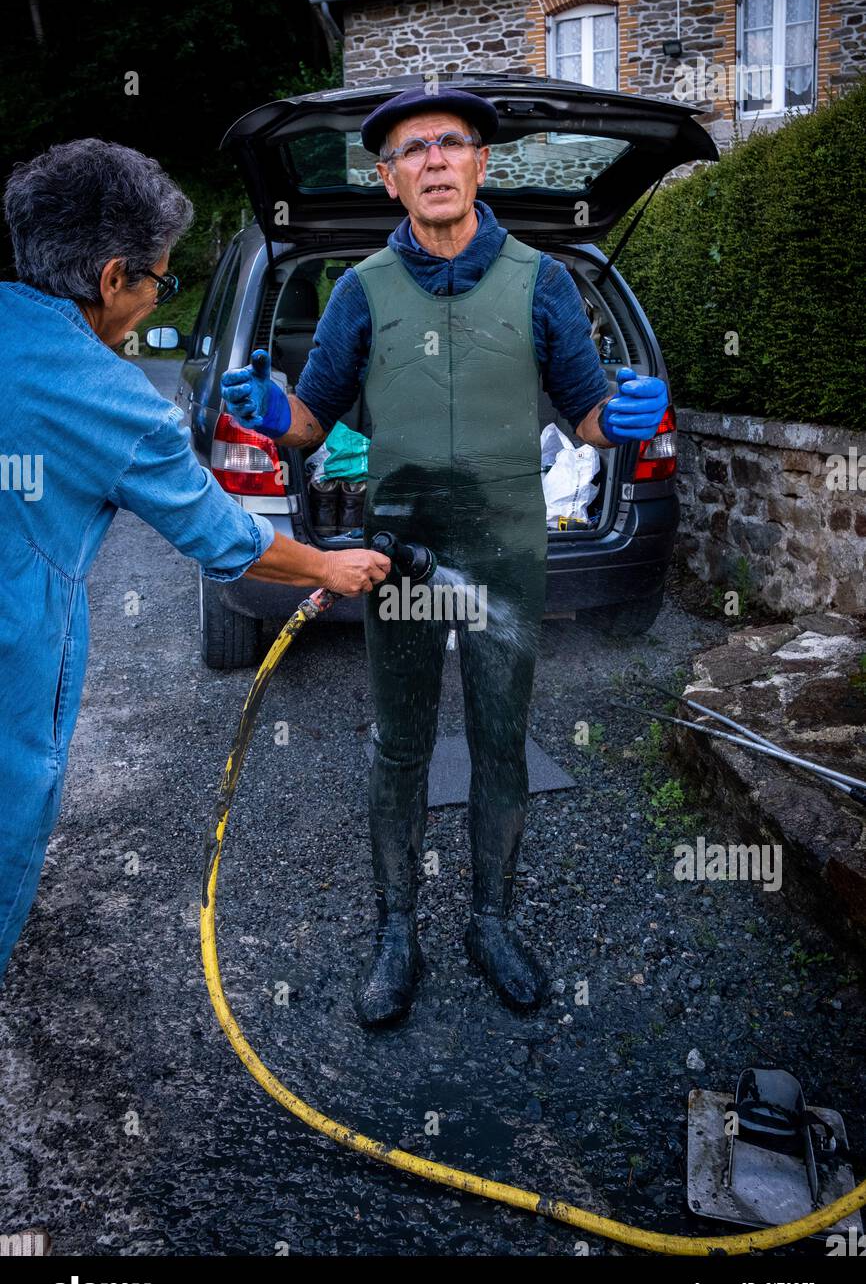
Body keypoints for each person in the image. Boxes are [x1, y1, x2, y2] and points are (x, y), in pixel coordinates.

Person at [220, 89, 666, 1027]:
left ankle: (492, 922)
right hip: (402, 550)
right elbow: (311, 422)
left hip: (507, 542)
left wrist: (614, 422)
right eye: (408, 150)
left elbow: (584, 409)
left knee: (501, 738)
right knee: (400, 741)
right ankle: (397, 931)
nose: (431, 160)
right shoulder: (361, 290)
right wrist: (271, 412)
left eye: (448, 144)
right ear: (388, 180)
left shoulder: (542, 281)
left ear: (480, 165)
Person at [0, 138, 389, 984]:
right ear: (113, 279)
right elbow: (225, 537)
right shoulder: (111, 402)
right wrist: (328, 568)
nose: (151, 304)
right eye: (159, 282)